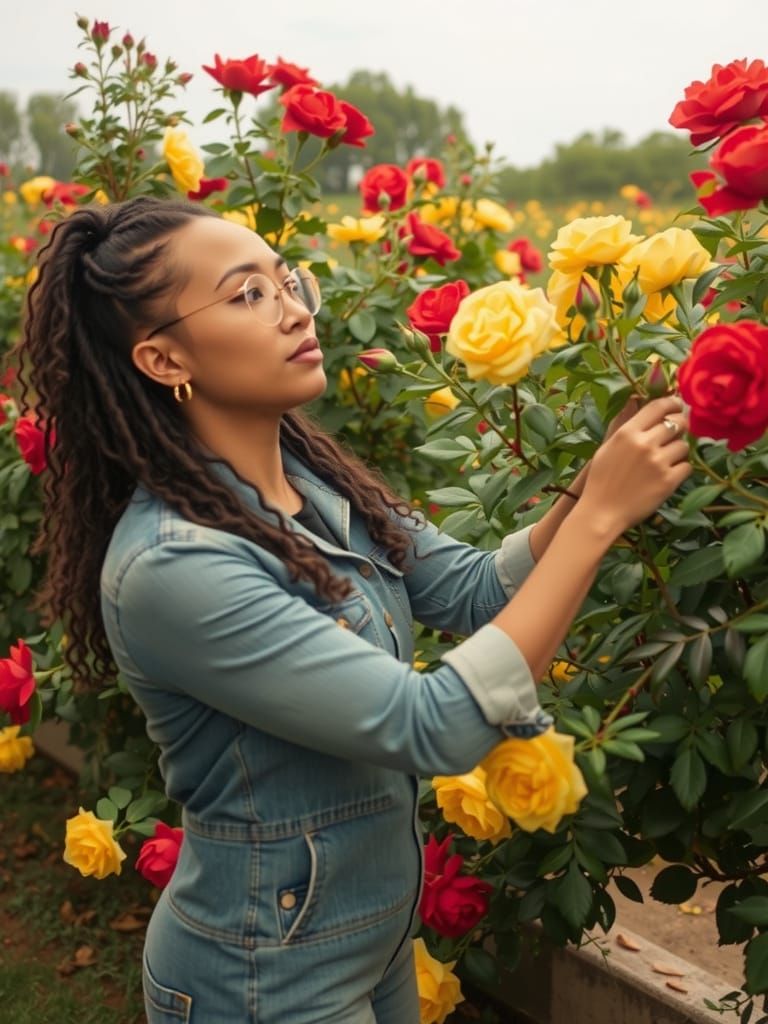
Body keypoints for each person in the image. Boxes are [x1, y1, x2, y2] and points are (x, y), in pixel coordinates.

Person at [15, 196, 691, 1024]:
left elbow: (478, 590)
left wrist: (597, 474)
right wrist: (598, 519)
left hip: (364, 939)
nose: (296, 308)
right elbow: (430, 726)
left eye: (283, 280)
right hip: (262, 975)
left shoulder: (314, 483)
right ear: (161, 359)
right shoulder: (176, 566)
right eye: (247, 295)